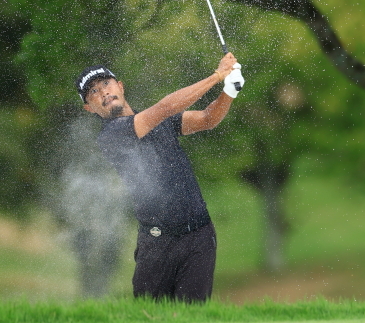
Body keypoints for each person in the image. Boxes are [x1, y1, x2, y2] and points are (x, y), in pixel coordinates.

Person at [77, 53, 243, 302]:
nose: (103, 92)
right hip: (157, 244)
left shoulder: (158, 120)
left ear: (120, 86)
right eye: (93, 92)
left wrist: (229, 90)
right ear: (89, 107)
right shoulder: (111, 136)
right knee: (150, 318)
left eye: (106, 84)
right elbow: (165, 108)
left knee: (193, 317)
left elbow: (208, 119)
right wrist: (217, 76)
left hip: (199, 237)